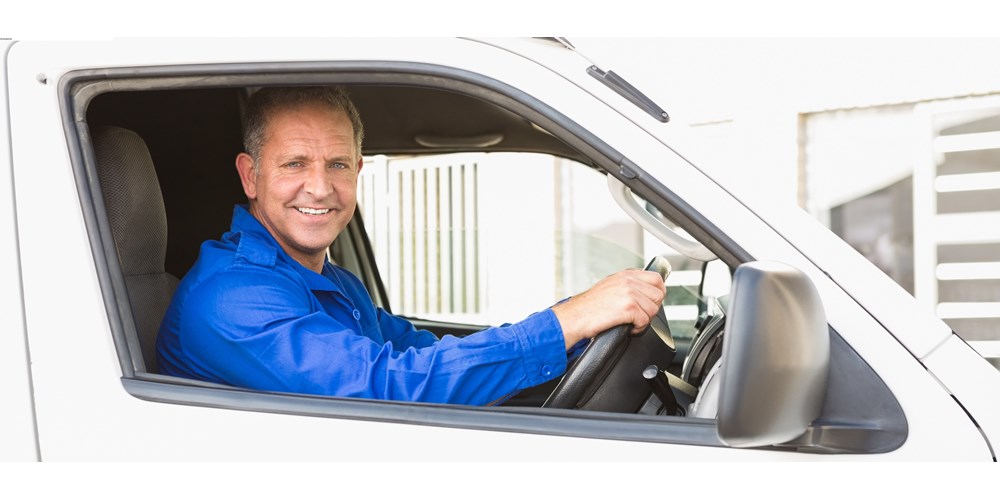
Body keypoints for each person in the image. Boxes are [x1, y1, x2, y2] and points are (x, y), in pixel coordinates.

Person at [155, 86, 665, 406]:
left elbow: (421, 351)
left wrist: (575, 319)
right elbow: (387, 388)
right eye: (294, 164)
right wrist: (569, 320)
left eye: (337, 165)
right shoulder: (231, 297)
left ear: (357, 172)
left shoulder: (331, 282)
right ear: (251, 175)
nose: (319, 187)